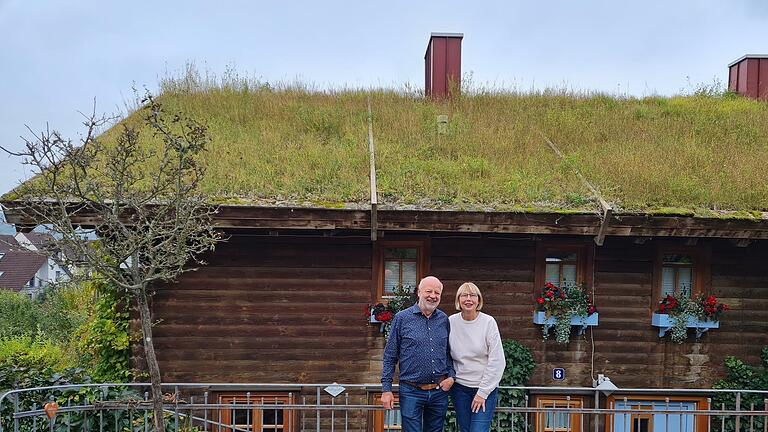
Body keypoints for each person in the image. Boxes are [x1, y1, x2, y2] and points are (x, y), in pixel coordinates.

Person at [381, 276, 456, 432]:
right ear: (419, 292)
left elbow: (448, 353)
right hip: (411, 391)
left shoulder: (444, 319)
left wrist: (451, 376)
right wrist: (386, 389)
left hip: (438, 392)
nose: (433, 296)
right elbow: (390, 356)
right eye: (429, 291)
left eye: (437, 292)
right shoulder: (402, 318)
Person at [449, 282, 506, 432]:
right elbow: (445, 355)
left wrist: (482, 393)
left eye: (472, 295)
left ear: (478, 300)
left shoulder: (488, 322)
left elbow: (497, 361)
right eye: (464, 295)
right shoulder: (450, 322)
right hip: (459, 389)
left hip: (484, 390)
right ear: (458, 300)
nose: (468, 299)